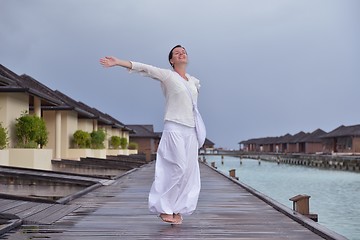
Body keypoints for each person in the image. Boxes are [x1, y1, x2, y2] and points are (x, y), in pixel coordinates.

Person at [99, 45, 203, 225]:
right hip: (174, 126)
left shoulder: (193, 81)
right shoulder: (167, 75)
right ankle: (163, 207)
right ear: (171, 60)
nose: (181, 53)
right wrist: (119, 62)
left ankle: (178, 208)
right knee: (176, 166)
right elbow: (144, 67)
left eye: (184, 51)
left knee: (188, 171)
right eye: (176, 52)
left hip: (191, 130)